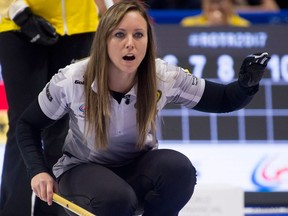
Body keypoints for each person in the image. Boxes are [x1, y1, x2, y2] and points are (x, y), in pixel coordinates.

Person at [16, 0, 270, 215]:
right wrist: (37, 172)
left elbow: (223, 99)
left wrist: (246, 86)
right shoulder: (73, 78)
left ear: (148, 40)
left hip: (137, 167)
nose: (130, 43)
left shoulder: (163, 75)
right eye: (120, 34)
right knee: (117, 198)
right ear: (103, 40)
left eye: (139, 34)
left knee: (178, 170)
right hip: (82, 170)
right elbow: (27, 125)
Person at [0, 0, 110, 215]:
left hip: (81, 25)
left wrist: (110, 10)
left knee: (62, 128)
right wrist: (17, 9)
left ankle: (52, 211)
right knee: (23, 123)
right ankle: (12, 211)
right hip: (17, 24)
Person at [181, 0, 251, 27]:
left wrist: (226, 25)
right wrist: (207, 27)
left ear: (230, 3)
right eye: (211, 2)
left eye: (220, 2)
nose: (215, 7)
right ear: (203, 4)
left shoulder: (243, 25)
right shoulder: (189, 23)